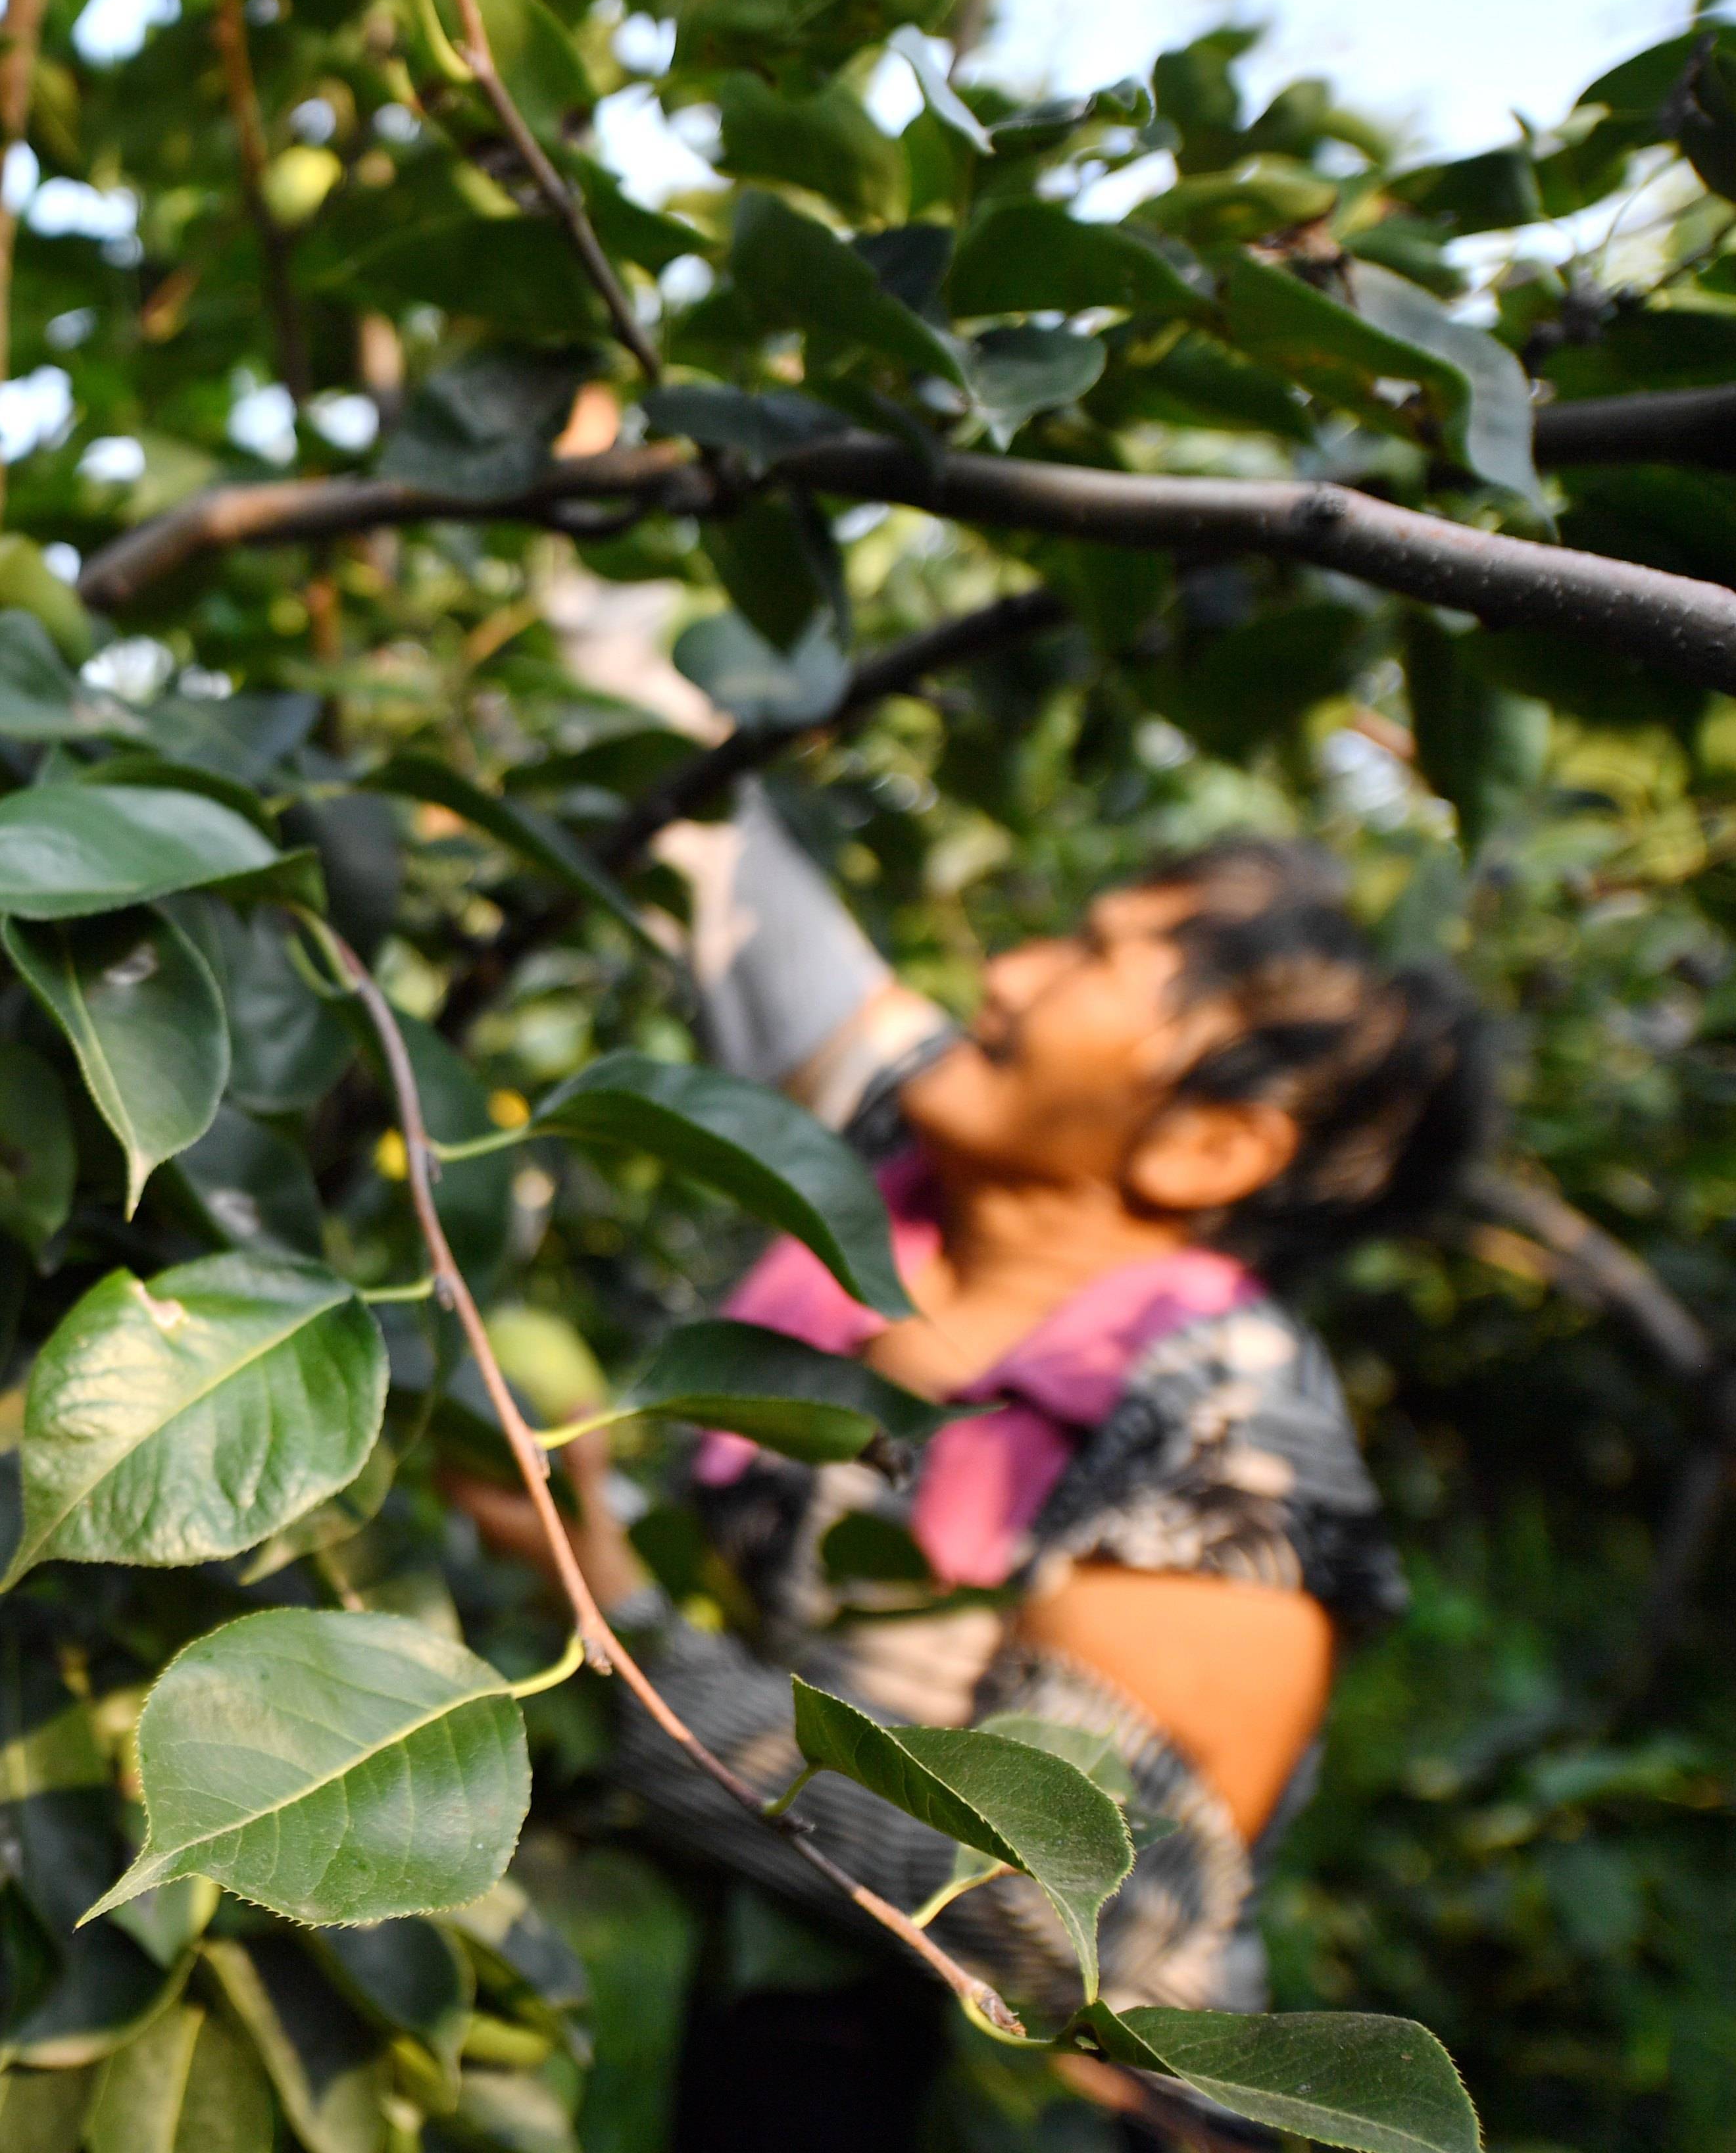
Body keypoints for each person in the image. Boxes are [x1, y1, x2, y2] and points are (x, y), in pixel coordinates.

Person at [448, 781, 1493, 2151]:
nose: (1001, 970)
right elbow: (719, 838)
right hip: (800, 2020)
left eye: (1093, 956)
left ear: (1212, 1142)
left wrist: (615, 1624)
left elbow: (1061, 1912)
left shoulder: (1237, 1430)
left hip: (1048, 2107)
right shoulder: (904, 1179)